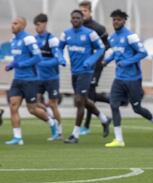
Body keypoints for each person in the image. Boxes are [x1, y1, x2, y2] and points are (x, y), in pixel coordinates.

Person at [103, 9, 153, 147]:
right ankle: (119, 139)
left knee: (136, 108)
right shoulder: (112, 37)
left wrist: (128, 61)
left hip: (133, 79)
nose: (116, 22)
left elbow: (143, 53)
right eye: (114, 19)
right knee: (114, 105)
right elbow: (116, 53)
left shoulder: (130, 36)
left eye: (118, 19)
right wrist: (106, 61)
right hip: (119, 78)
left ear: (124, 21)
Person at [59, 10, 111, 144]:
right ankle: (104, 119)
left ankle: (75, 135)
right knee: (84, 100)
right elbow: (59, 48)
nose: (75, 20)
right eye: (73, 18)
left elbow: (101, 48)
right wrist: (60, 58)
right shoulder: (66, 34)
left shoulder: (90, 33)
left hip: (87, 72)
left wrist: (90, 61)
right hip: (74, 72)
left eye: (78, 18)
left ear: (82, 20)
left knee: (78, 101)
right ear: (71, 20)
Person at [4, 16, 58, 145]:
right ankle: (18, 138)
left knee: (32, 109)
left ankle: (52, 122)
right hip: (17, 79)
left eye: (15, 23)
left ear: (23, 25)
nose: (12, 25)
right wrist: (12, 65)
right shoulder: (13, 40)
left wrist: (20, 65)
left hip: (30, 80)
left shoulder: (28, 39)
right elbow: (18, 58)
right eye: (12, 23)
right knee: (13, 106)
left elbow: (37, 58)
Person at [79, 1, 110, 136]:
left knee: (89, 94)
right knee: (86, 95)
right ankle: (113, 99)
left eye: (85, 11)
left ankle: (86, 125)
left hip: (96, 65)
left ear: (90, 12)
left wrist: (102, 58)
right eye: (80, 11)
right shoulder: (78, 28)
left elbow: (107, 45)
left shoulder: (98, 28)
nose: (82, 14)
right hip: (83, 65)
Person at [33, 13, 65, 141]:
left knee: (53, 104)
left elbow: (57, 59)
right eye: (35, 25)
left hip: (52, 78)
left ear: (44, 24)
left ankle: (59, 132)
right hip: (39, 78)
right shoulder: (34, 39)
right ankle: (52, 120)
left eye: (39, 25)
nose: (37, 27)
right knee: (35, 103)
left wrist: (42, 63)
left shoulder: (52, 40)